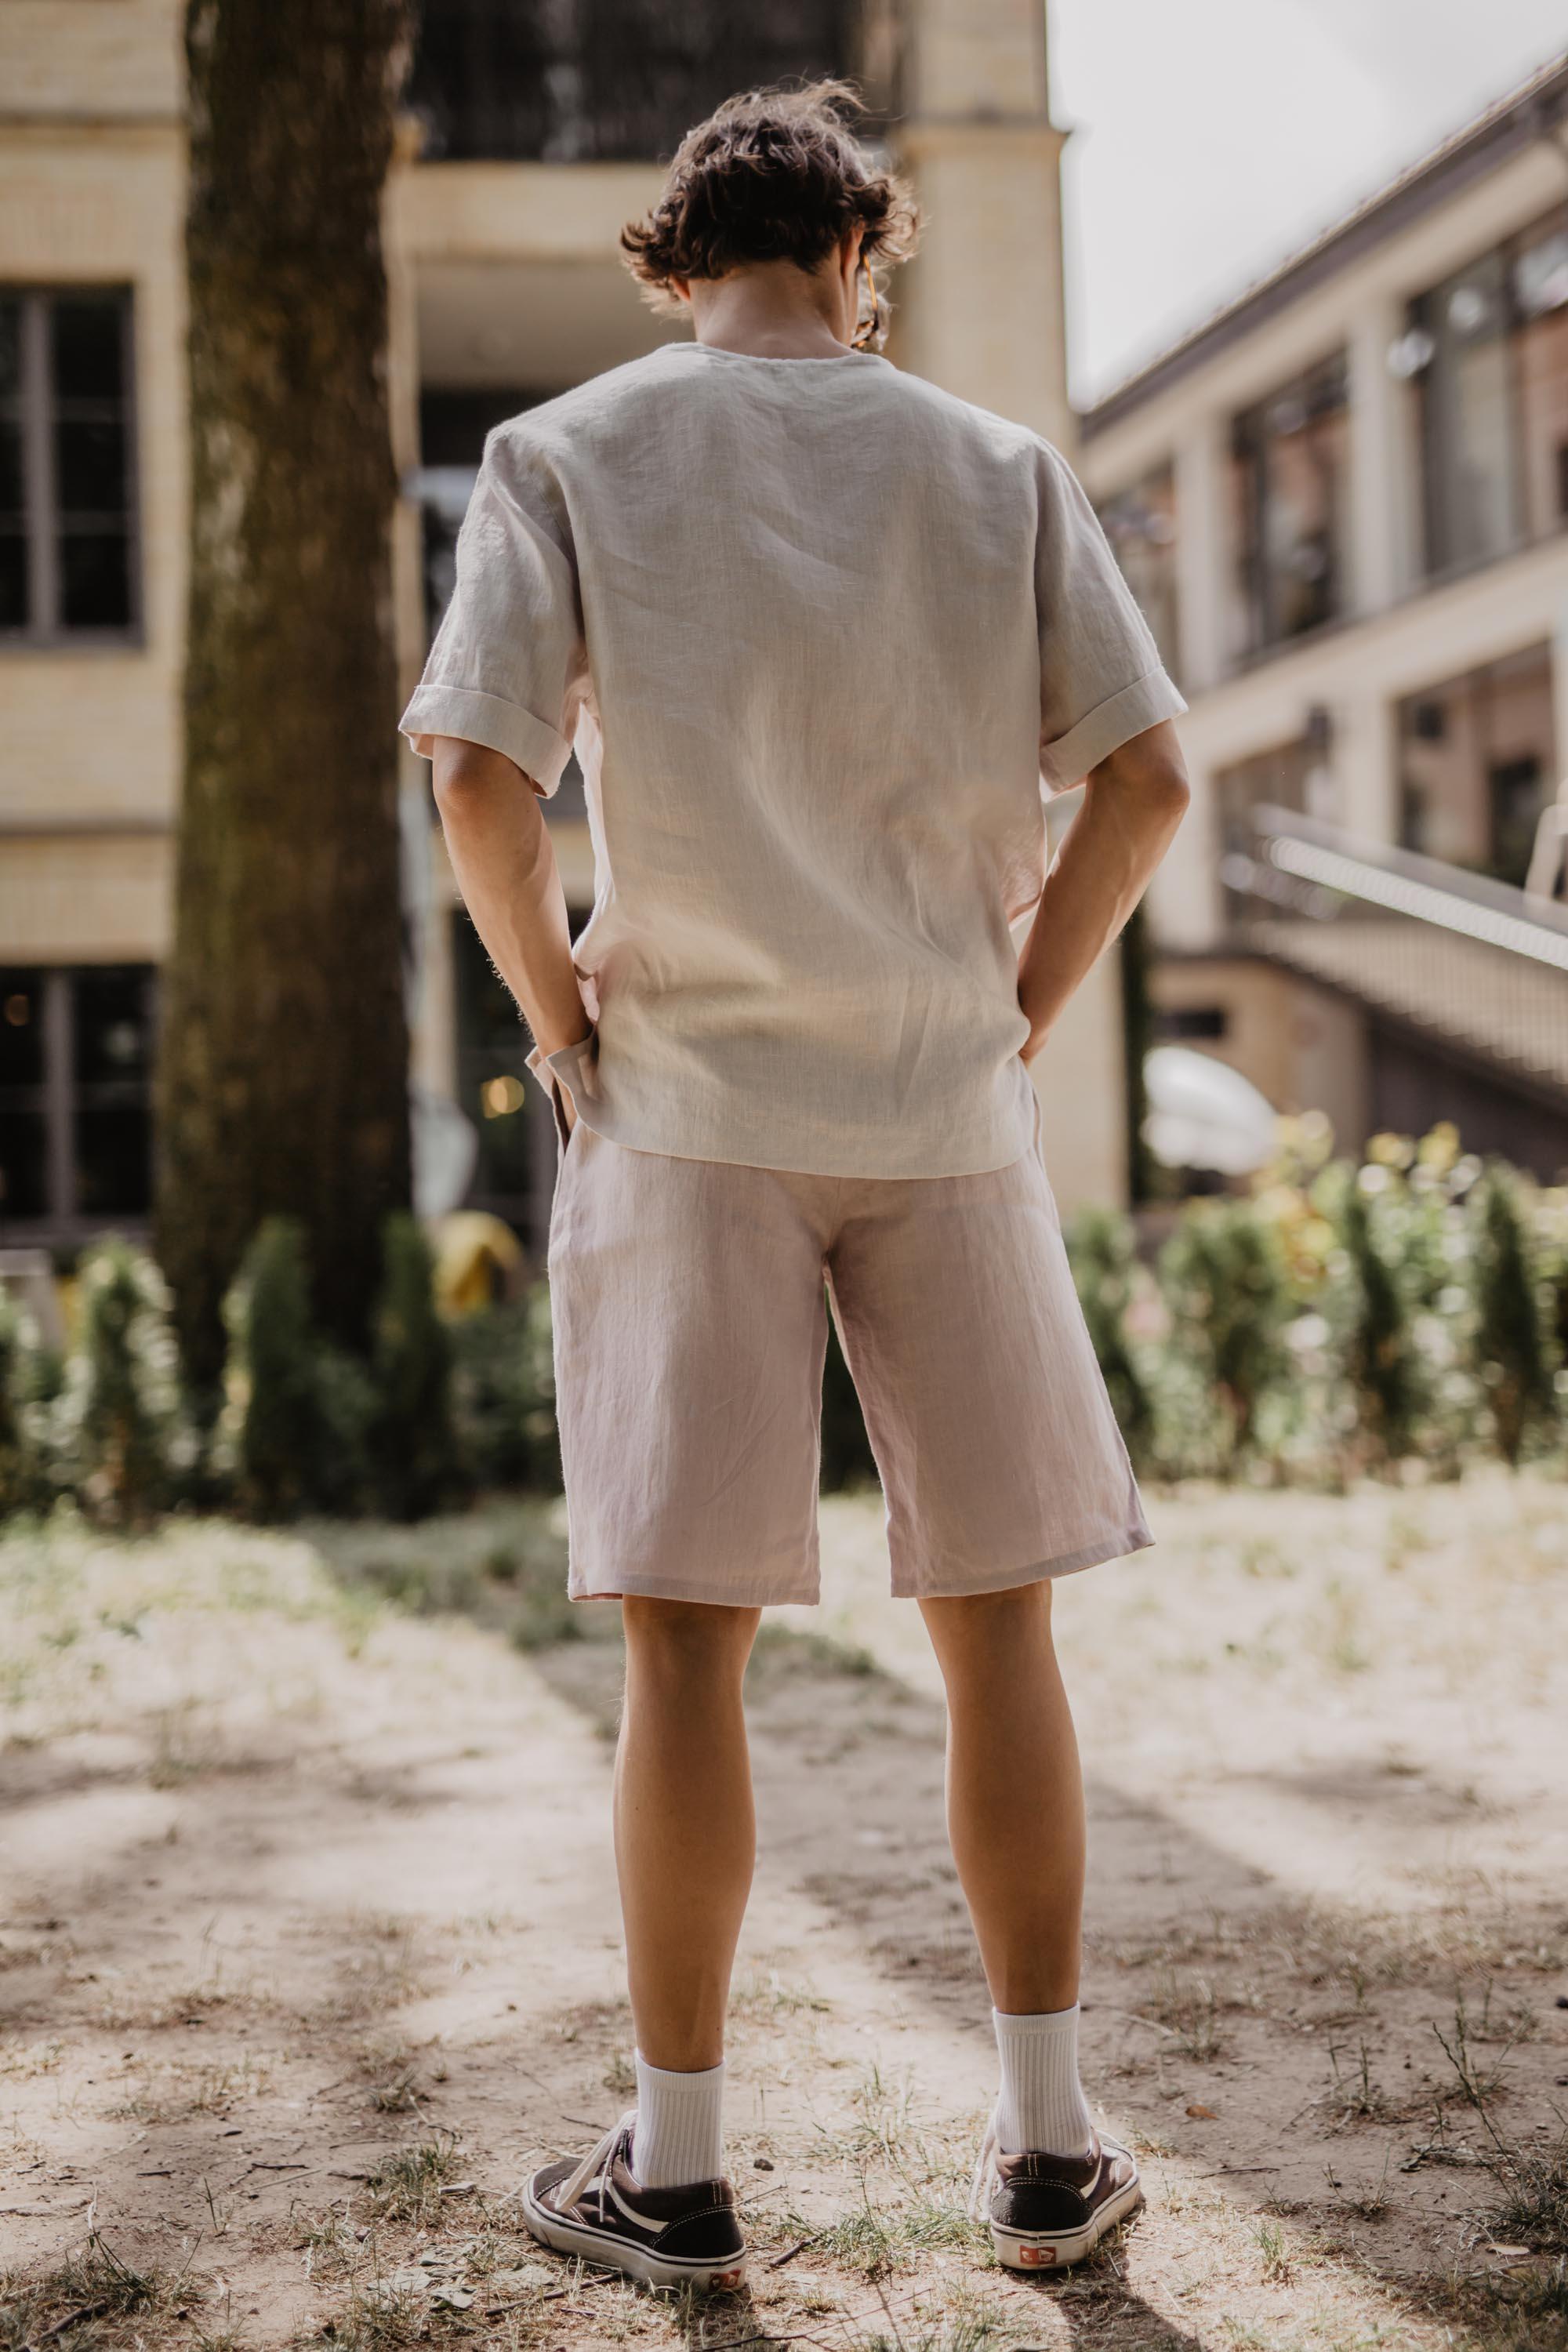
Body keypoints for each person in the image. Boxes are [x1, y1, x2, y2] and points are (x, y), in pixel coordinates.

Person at [400, 80, 1189, 2291]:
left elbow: (474, 776)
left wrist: (562, 1026)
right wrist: (1015, 1010)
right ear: (864, 254)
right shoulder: (995, 464)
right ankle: (1044, 2157)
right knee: (999, 1623)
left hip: (686, 1112)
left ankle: (679, 2173)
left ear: (678, 260)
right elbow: (1149, 781)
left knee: (684, 1657)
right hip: (944, 1110)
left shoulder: (566, 451)